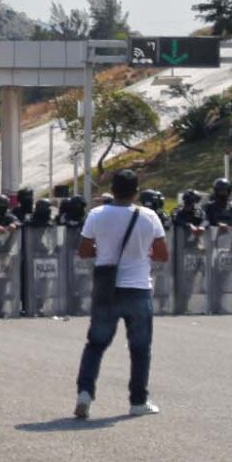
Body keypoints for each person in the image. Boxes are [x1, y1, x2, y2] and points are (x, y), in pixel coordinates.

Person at [72, 170, 167, 420]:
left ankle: (85, 393)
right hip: (138, 288)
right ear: (136, 191)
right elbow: (161, 254)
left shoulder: (97, 214)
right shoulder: (149, 216)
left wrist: (102, 249)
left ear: (112, 189)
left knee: (96, 344)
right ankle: (138, 401)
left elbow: (83, 251)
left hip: (107, 288)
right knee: (139, 348)